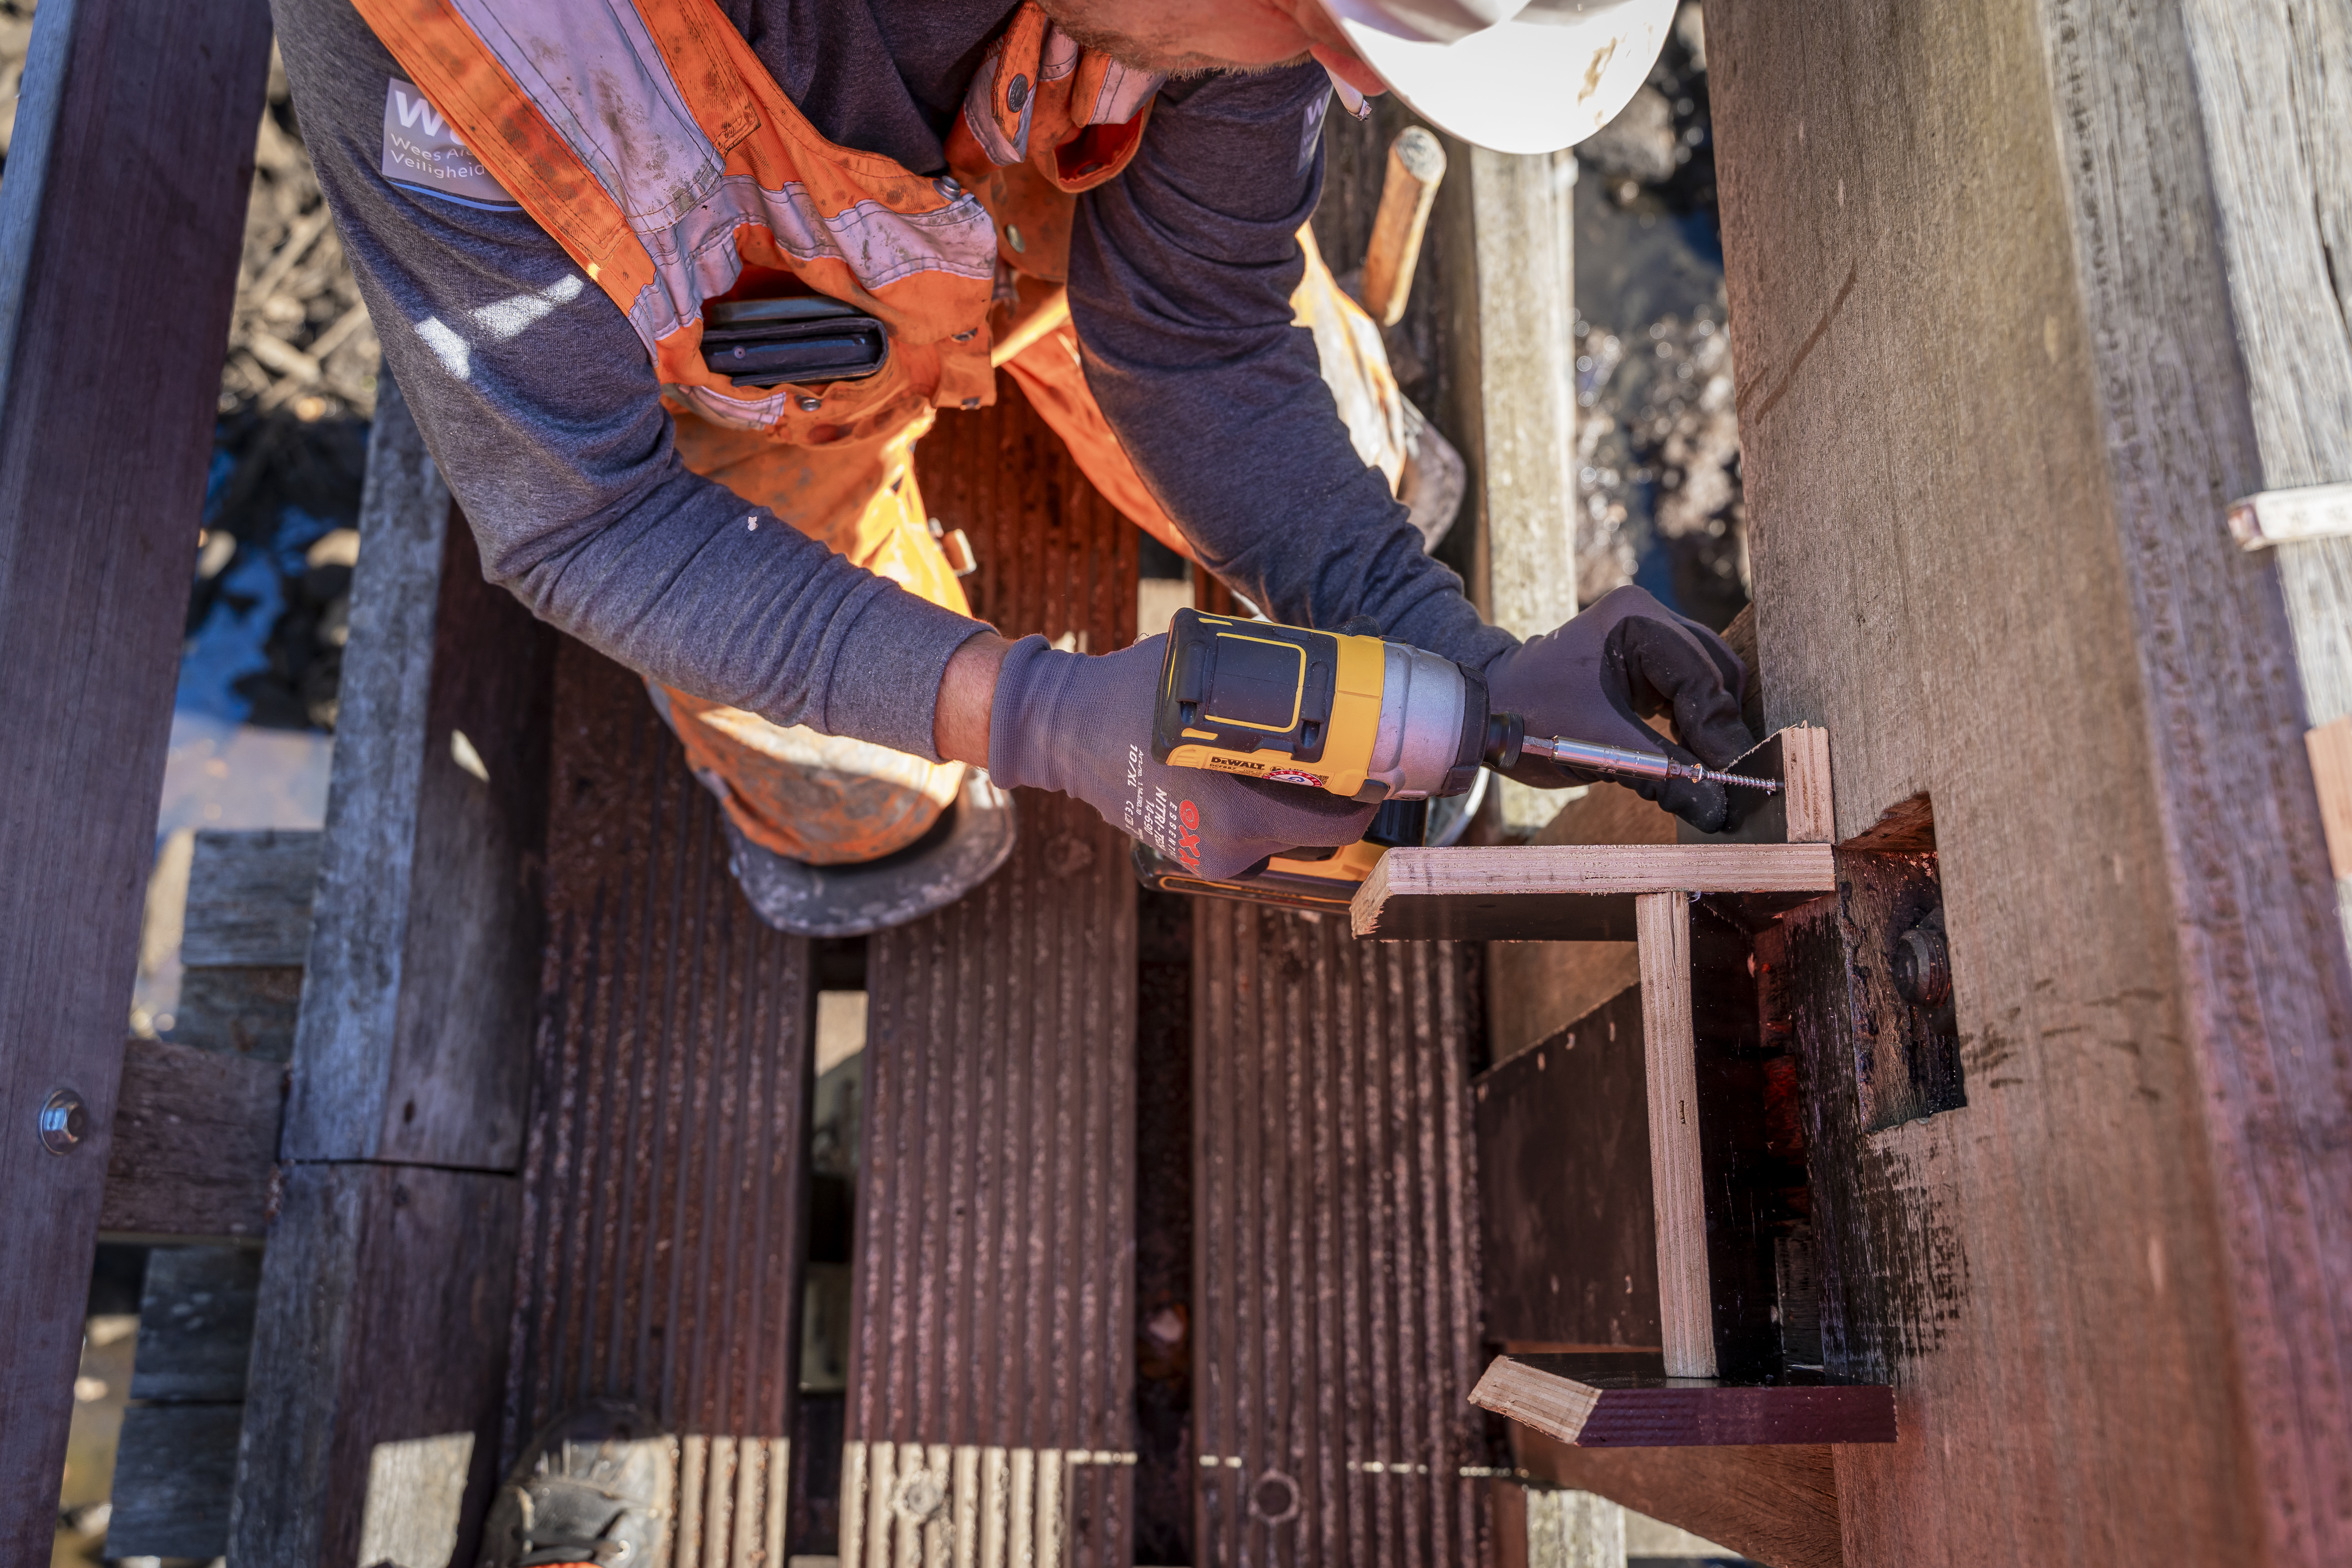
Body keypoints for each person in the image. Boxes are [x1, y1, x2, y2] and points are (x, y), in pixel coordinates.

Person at [272, 0, 1743, 1555]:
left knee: (1356, 485)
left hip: (1046, 243)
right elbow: (589, 527)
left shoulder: (1255, 33)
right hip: (728, 393)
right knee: (860, 807)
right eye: (1321, 18)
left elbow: (1200, 326)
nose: (1359, 82)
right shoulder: (450, 51)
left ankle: (1086, 404)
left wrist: (1437, 638)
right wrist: (1034, 714)